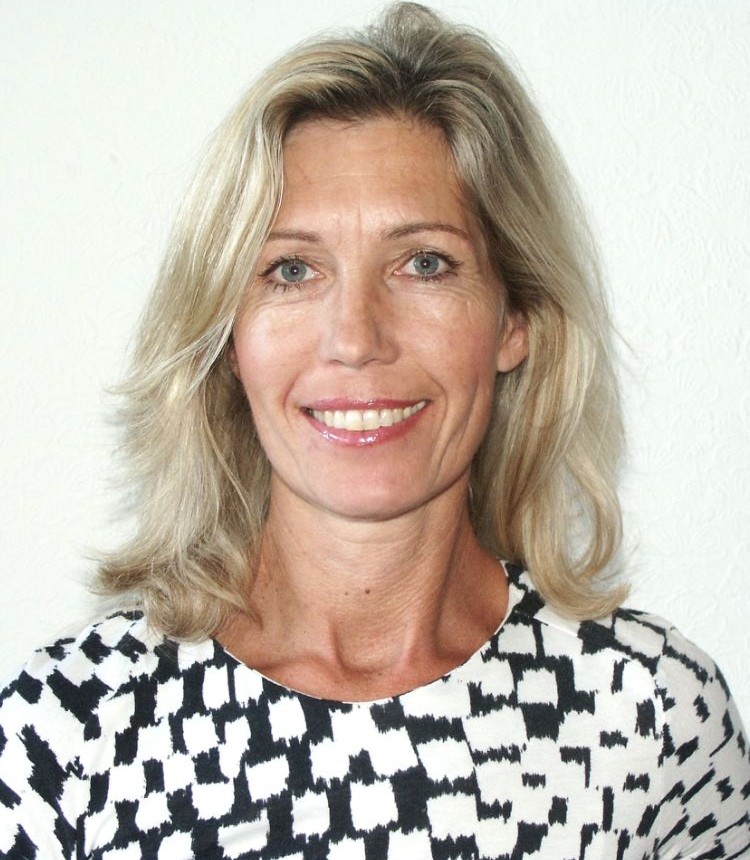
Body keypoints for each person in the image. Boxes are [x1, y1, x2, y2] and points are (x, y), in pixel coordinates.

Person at [0, 3, 747, 857]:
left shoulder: (649, 718)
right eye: (291, 270)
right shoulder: (72, 733)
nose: (355, 338)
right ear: (227, 340)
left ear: (516, 319)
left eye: (424, 263)